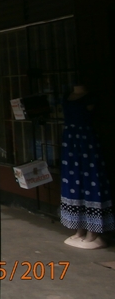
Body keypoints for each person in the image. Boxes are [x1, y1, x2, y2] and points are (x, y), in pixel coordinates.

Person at [60, 85, 114, 249]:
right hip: (71, 141)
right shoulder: (67, 95)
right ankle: (79, 229)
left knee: (91, 181)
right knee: (73, 183)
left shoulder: (89, 98)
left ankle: (93, 232)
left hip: (85, 140)